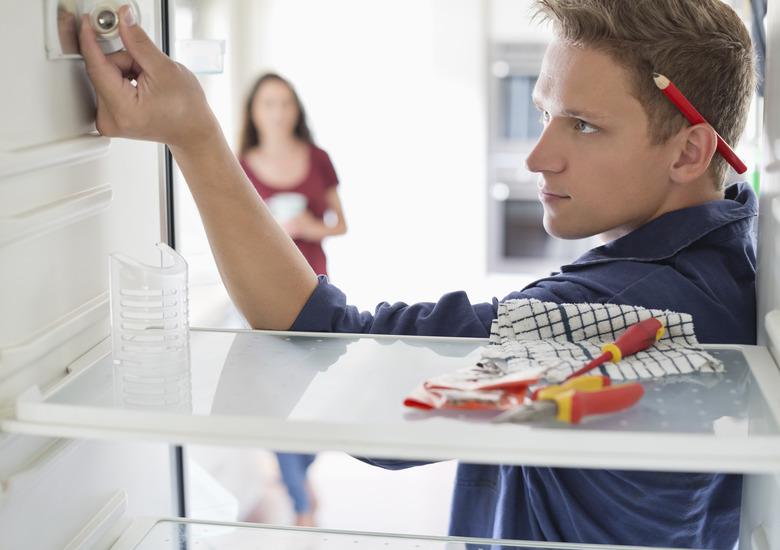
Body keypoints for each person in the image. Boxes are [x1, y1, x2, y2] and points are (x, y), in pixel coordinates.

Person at [77, 0, 757, 547]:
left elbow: (331, 348)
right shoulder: (727, 251)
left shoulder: (631, 311)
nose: (538, 156)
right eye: (546, 113)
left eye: (581, 126)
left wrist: (193, 132)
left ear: (690, 150)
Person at [237, 72, 346, 527]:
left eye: (285, 103)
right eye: (268, 104)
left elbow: (340, 223)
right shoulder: (241, 164)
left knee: (320, 395)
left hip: (315, 290)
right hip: (262, 294)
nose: (277, 113)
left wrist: (306, 227)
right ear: (253, 112)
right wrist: (270, 236)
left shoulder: (317, 158)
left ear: (296, 109)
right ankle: (301, 501)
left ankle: (296, 470)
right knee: (274, 400)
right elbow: (235, 235)